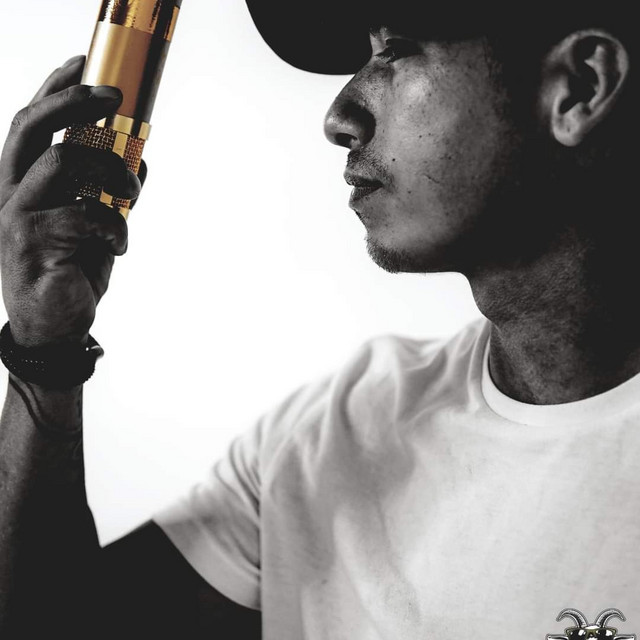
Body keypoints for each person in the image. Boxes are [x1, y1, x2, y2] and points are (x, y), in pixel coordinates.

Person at [0, 0, 638, 638]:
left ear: (579, 86)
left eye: (395, 50)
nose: (339, 118)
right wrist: (46, 351)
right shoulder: (327, 440)